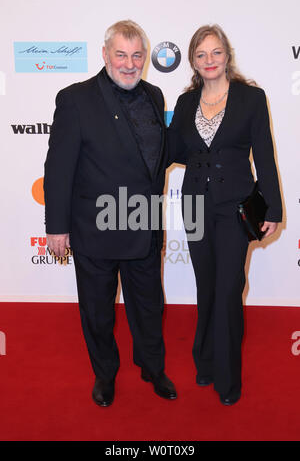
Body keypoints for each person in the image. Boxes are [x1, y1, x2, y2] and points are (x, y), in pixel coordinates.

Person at [44, 20, 177, 407]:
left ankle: (153, 367)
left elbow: (155, 158)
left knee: (150, 306)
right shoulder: (75, 99)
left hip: (144, 224)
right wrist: (57, 226)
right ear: (105, 55)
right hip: (95, 229)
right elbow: (59, 168)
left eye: (137, 55)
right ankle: (105, 375)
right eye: (121, 54)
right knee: (99, 312)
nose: (130, 63)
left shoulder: (154, 94)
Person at [168, 24, 282, 405]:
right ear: (193, 62)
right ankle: (204, 362)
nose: (209, 60)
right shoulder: (186, 103)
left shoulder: (251, 98)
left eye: (215, 52)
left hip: (235, 207)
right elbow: (172, 150)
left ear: (227, 55)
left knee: (229, 288)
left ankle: (228, 379)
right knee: (207, 286)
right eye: (201, 55)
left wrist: (274, 207)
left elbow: (263, 154)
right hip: (196, 206)